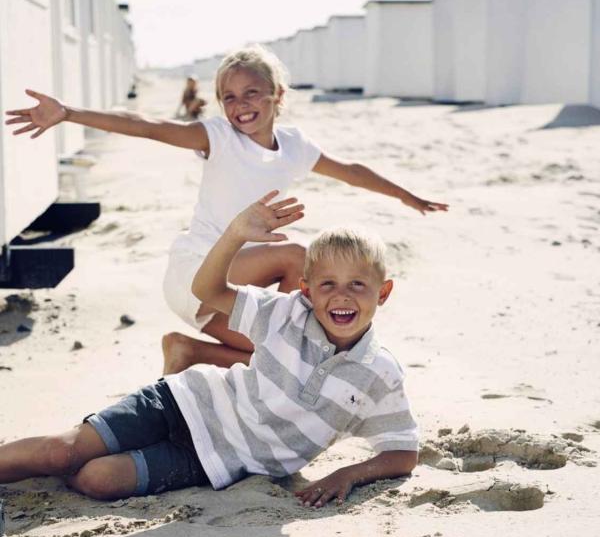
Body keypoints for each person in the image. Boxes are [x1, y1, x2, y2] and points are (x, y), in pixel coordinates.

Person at [4, 45, 448, 375]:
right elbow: (148, 126)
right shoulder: (217, 137)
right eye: (229, 97)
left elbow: (350, 170)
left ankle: (187, 352)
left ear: (278, 94)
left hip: (228, 288)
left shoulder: (294, 146)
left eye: (252, 93)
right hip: (197, 272)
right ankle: (291, 333)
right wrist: (68, 113)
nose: (240, 106)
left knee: (291, 357)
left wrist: (405, 195)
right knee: (298, 256)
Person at [0, 192, 418, 506]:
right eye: (327, 284)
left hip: (215, 461)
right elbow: (206, 290)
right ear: (307, 290)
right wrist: (236, 234)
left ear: (383, 293)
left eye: (357, 286)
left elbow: (402, 451)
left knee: (97, 480)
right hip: (183, 402)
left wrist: (350, 473)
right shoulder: (284, 313)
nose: (341, 297)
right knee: (61, 452)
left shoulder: (379, 373)